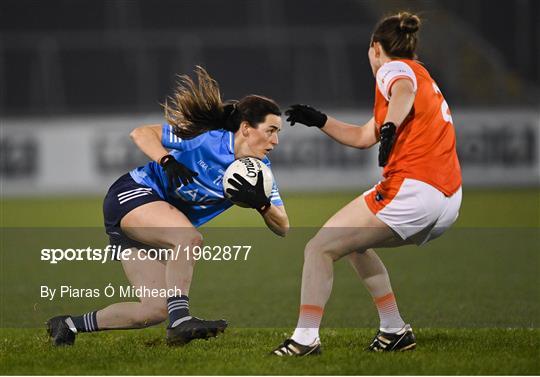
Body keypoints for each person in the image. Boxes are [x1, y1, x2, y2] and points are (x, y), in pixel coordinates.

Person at [46, 66, 289, 346]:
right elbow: (140, 134)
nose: (276, 141)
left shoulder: (259, 173)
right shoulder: (206, 138)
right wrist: (167, 161)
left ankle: (67, 325)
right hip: (133, 195)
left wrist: (262, 205)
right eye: (271, 130)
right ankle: (182, 321)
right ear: (246, 128)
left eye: (278, 133)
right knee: (188, 238)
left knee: (153, 310)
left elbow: (283, 226)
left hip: (155, 222)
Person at [272, 11, 462, 356]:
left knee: (318, 248)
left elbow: (400, 91)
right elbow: (363, 137)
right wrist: (321, 120)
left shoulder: (393, 69)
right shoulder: (423, 77)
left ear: (376, 48)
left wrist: (390, 126)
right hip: (447, 200)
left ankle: (304, 338)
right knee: (352, 245)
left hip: (413, 189)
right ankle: (393, 329)